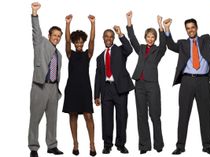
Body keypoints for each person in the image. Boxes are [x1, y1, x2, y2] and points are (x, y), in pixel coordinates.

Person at [163, 7, 210, 155]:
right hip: (187, 82)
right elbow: (170, 45)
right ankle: (180, 146)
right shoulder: (182, 44)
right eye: (188, 28)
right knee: (183, 114)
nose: (190, 30)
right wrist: (166, 29)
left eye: (192, 27)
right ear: (186, 30)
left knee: (205, 114)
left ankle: (207, 146)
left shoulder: (206, 40)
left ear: (196, 28)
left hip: (203, 82)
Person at [126, 11, 166, 154]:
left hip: (152, 85)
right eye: (148, 36)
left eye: (153, 37)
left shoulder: (158, 50)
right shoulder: (141, 48)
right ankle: (144, 146)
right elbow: (133, 40)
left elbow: (164, 44)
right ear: (145, 37)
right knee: (141, 115)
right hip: (139, 85)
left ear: (155, 38)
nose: (150, 39)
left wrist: (160, 26)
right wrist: (129, 21)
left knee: (155, 115)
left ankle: (158, 145)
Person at [28, 2, 64, 157]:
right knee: (35, 118)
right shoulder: (40, 43)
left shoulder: (59, 55)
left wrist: (56, 90)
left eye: (58, 36)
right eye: (54, 35)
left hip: (53, 89)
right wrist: (34, 13)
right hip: (39, 86)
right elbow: (36, 30)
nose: (56, 38)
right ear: (49, 35)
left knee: (52, 119)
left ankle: (52, 145)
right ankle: (34, 147)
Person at [94, 26, 134, 154]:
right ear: (103, 38)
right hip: (106, 90)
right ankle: (107, 144)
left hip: (120, 89)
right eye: (106, 36)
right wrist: (96, 95)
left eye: (111, 36)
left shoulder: (120, 50)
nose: (109, 39)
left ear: (114, 38)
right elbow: (98, 77)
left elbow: (129, 49)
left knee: (122, 117)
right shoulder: (100, 57)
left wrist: (121, 34)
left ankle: (121, 144)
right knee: (106, 119)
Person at [62, 14, 96, 156]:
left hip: (85, 89)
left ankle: (92, 144)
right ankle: (75, 143)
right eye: (77, 42)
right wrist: (68, 23)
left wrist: (93, 24)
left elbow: (92, 40)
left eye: (81, 42)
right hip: (72, 88)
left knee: (88, 116)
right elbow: (67, 40)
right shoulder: (70, 54)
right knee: (73, 115)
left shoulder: (88, 54)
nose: (79, 45)